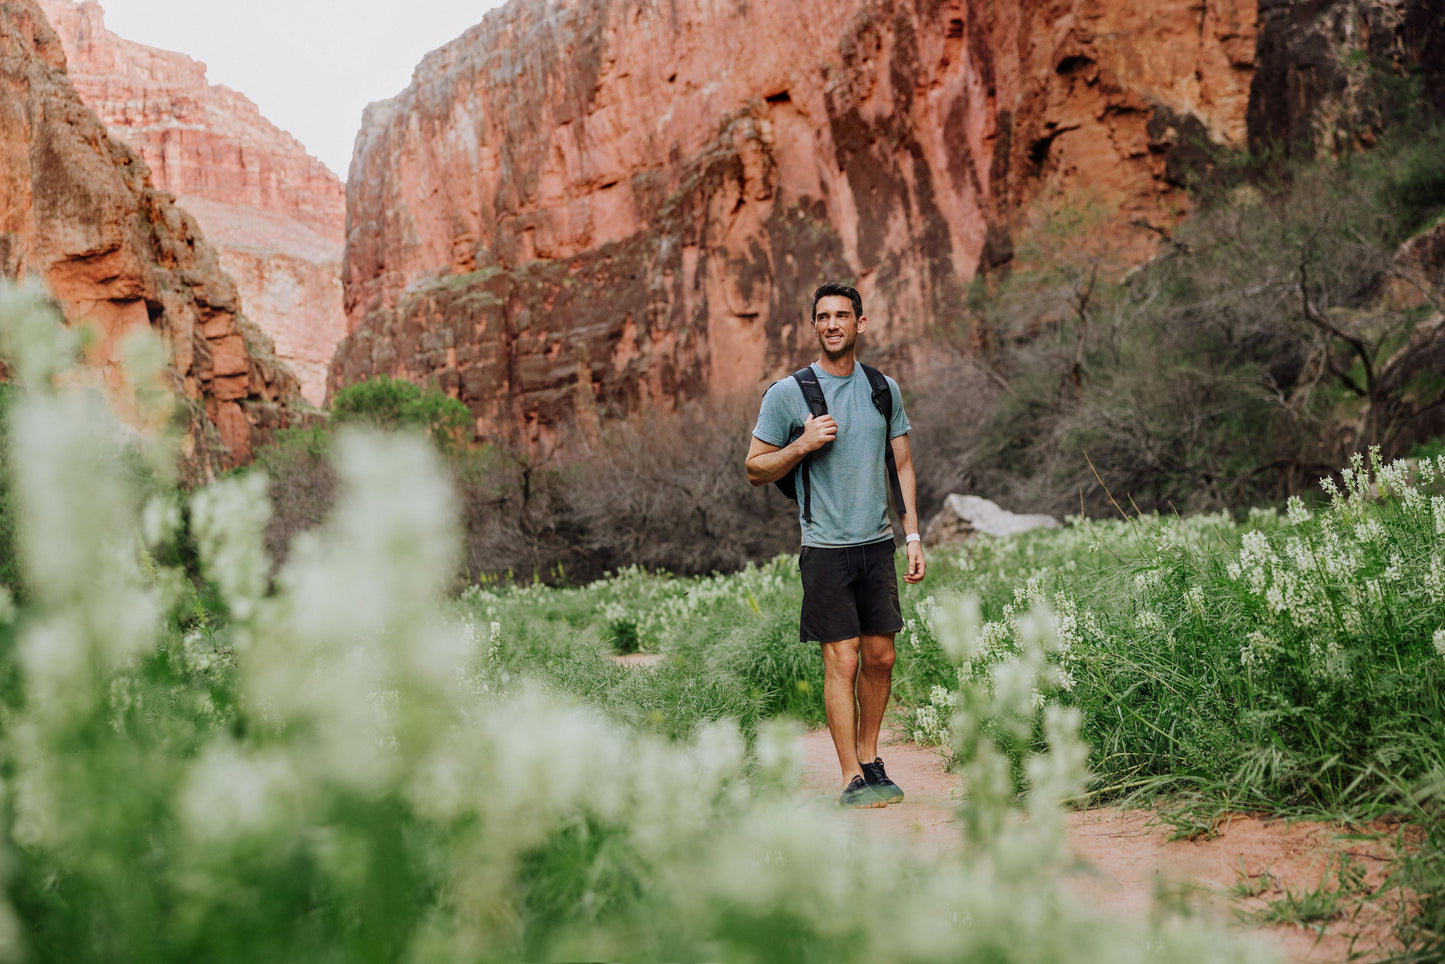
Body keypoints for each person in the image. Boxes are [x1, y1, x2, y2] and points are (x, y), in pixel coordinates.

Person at [745, 281, 926, 808]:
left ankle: (871, 758)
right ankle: (850, 775)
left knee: (881, 657)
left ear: (859, 324)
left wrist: (912, 534)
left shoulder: (882, 389)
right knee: (841, 660)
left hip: (878, 543)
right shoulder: (789, 393)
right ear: (813, 325)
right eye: (822, 316)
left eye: (841, 316)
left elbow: (904, 464)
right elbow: (755, 469)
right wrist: (802, 443)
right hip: (823, 547)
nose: (831, 324)